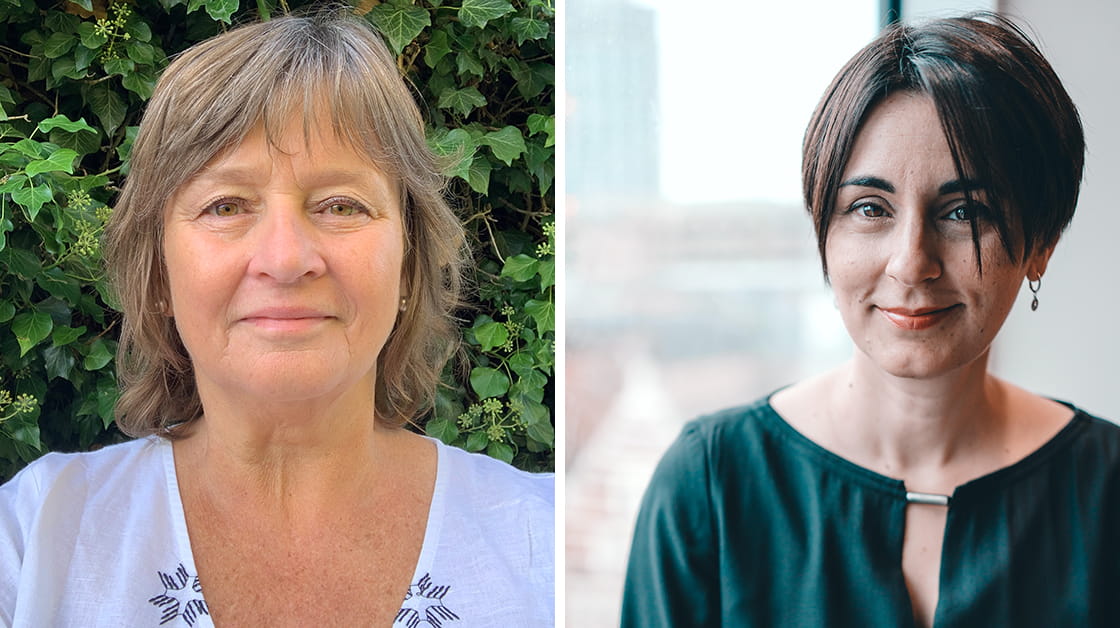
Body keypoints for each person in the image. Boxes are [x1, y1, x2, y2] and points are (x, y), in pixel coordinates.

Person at [0, 14, 553, 627]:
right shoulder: (33, 539)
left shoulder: (559, 548)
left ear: (407, 263)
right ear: (159, 272)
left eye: (341, 205)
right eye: (225, 206)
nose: (286, 260)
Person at [621, 13, 1120, 628]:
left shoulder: (1106, 493)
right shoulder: (710, 485)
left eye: (964, 211)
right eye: (868, 208)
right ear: (824, 233)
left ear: (1042, 240)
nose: (911, 263)